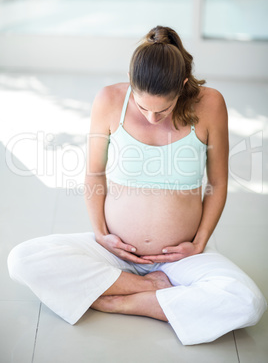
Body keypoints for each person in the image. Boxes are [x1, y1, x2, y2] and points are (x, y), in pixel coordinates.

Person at [7, 26, 266, 345]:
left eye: (163, 109)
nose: (152, 117)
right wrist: (102, 234)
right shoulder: (110, 99)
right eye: (143, 108)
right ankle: (150, 289)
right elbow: (94, 174)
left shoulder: (209, 104)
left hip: (180, 259)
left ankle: (120, 300)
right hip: (116, 251)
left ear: (182, 86)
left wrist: (199, 243)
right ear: (131, 83)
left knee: (249, 302)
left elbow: (218, 181)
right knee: (21, 259)